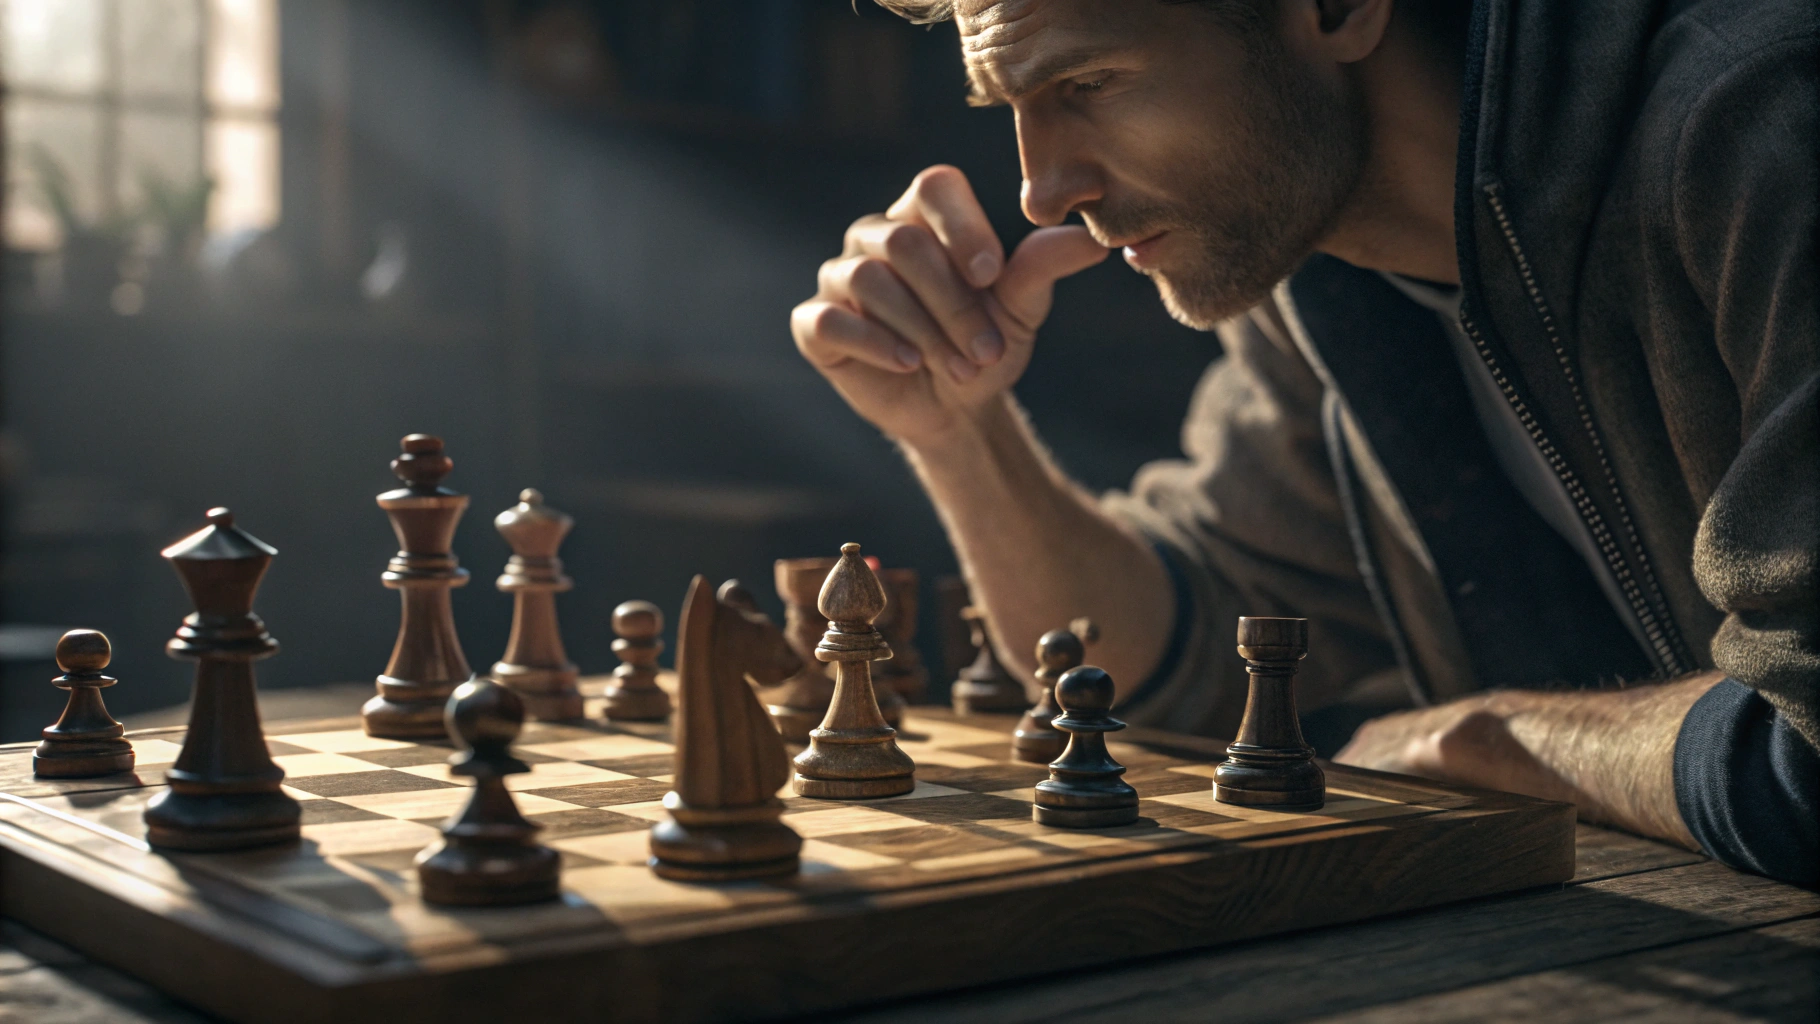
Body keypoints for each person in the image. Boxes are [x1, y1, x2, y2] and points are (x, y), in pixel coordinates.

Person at [789, 0, 1817, 885]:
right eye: (1010, 108)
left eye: (1087, 80)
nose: (1040, 189)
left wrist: (1479, 743)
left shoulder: (1757, 121)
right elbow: (1178, 663)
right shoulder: (1312, 260)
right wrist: (962, 431)